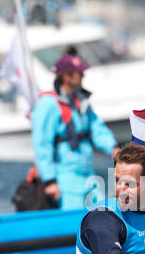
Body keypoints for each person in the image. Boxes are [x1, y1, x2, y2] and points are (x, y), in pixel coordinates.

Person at [31, 54, 120, 210]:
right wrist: (50, 181)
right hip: (66, 178)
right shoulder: (48, 104)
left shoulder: (80, 101)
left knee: (103, 212)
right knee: (73, 218)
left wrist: (113, 148)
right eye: (80, 73)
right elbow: (42, 144)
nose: (83, 76)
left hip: (88, 173)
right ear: (66, 76)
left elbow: (96, 128)